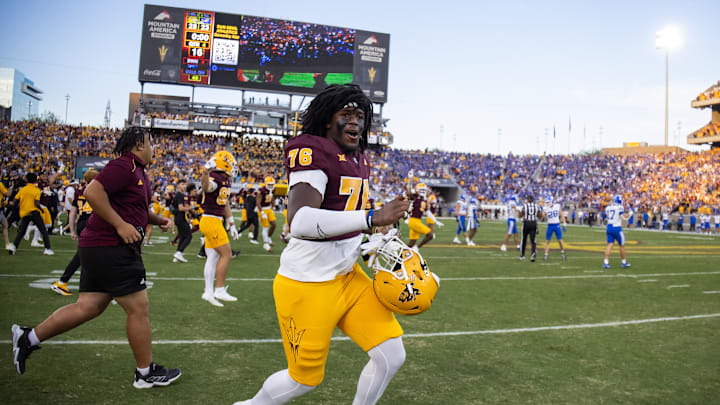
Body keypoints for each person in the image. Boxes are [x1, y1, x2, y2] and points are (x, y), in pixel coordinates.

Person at [234, 84, 410, 405]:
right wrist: (372, 218)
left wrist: (378, 237)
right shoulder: (312, 149)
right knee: (303, 381)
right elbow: (300, 221)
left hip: (346, 276)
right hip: (306, 284)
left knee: (391, 354)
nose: (355, 122)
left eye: (360, 115)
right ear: (328, 120)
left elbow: (347, 215)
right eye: (346, 115)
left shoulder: (359, 159)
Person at [11, 126, 181, 388]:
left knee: (89, 306)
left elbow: (136, 208)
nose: (154, 148)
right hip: (111, 246)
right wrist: (120, 225)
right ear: (138, 145)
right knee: (138, 308)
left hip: (99, 247)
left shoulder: (139, 173)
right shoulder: (124, 165)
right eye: (151, 143)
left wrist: (158, 220)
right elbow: (92, 192)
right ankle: (145, 374)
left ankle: (28, 338)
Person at [199, 150, 240, 307]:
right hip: (211, 221)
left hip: (214, 220)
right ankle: (219, 290)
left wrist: (231, 223)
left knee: (213, 257)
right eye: (231, 164)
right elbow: (206, 187)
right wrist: (205, 171)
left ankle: (208, 292)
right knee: (227, 254)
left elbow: (225, 202)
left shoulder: (226, 180)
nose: (233, 167)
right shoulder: (215, 178)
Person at [51, 169, 98, 296]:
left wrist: (72, 230)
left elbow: (72, 212)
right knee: (84, 255)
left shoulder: (79, 192)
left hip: (83, 224)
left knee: (89, 255)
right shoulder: (96, 191)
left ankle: (90, 284)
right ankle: (62, 281)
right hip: (91, 224)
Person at [7, 172, 53, 255]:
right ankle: (47, 249)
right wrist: (41, 210)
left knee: (21, 232)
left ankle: (14, 246)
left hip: (25, 212)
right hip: (34, 212)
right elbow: (37, 203)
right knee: (43, 230)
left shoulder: (23, 189)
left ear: (27, 179)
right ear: (36, 179)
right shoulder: (36, 190)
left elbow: (14, 202)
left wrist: (8, 203)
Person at [406, 182, 442, 250]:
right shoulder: (414, 197)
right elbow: (409, 192)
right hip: (414, 221)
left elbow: (428, 212)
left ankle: (400, 255)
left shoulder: (424, 200)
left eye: (424, 190)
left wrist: (436, 221)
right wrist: (410, 180)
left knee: (411, 243)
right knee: (430, 235)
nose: (423, 192)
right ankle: (417, 247)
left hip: (416, 221)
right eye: (421, 190)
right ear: (417, 190)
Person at [171, 180, 198, 263]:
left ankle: (177, 255)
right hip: (180, 218)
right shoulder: (180, 195)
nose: (184, 186)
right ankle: (179, 252)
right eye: (182, 184)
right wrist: (191, 208)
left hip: (178, 218)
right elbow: (181, 208)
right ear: (178, 186)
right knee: (188, 236)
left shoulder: (180, 195)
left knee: (182, 237)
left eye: (185, 184)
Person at [603, 195, 631, 269]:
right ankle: (624, 262)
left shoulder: (608, 208)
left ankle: (606, 262)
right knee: (621, 245)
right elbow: (625, 218)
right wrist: (631, 213)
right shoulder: (619, 207)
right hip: (617, 228)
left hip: (609, 227)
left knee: (609, 245)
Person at [519, 195, 542, 262]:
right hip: (533, 223)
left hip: (526, 223)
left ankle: (522, 255)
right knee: (533, 240)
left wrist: (522, 215)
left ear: (528, 200)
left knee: (524, 239)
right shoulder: (536, 206)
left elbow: (520, 215)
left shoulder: (525, 206)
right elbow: (540, 216)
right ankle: (533, 254)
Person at [542, 196, 567, 261]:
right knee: (547, 240)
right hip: (550, 225)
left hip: (557, 225)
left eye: (548, 202)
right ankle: (546, 255)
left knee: (560, 240)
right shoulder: (546, 208)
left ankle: (563, 253)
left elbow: (561, 215)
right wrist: (541, 211)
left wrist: (564, 224)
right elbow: (542, 216)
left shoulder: (557, 206)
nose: (547, 203)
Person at [257, 176, 277, 252]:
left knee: (274, 224)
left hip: (268, 208)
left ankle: (268, 237)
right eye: (269, 184)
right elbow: (258, 202)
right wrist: (262, 212)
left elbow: (271, 197)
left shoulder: (273, 189)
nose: (271, 186)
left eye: (272, 184)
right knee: (265, 227)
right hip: (262, 209)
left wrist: (273, 206)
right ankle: (265, 244)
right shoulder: (261, 190)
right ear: (265, 184)